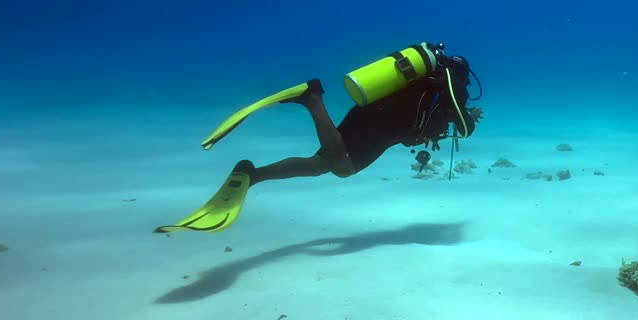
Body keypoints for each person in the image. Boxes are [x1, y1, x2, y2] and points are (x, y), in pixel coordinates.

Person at [157, 42, 482, 234]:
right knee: (342, 168)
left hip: (371, 116)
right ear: (462, 75)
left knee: (321, 163)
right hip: (384, 127)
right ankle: (313, 98)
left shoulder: (434, 84)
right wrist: (467, 117)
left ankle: (251, 174)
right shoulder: (449, 85)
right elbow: (464, 130)